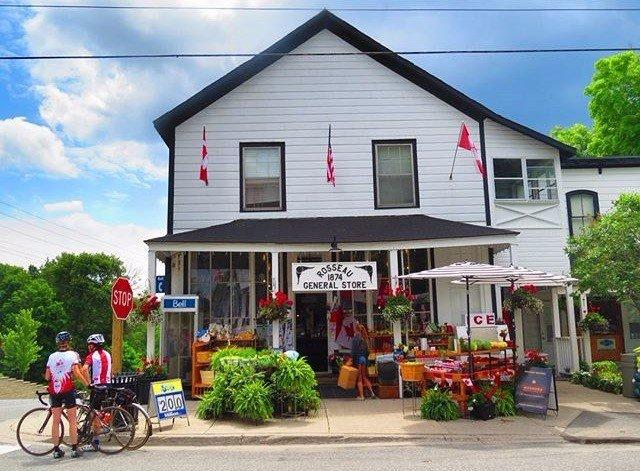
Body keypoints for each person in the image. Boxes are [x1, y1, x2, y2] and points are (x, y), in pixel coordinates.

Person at [45, 331, 88, 459]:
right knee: (72, 421)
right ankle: (74, 449)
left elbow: (47, 376)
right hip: (68, 389)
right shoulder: (72, 355)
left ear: (58, 343)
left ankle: (56, 450)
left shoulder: (51, 356)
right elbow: (76, 372)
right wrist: (86, 382)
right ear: (69, 342)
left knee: (55, 421)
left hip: (55, 391)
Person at [82, 333, 112, 451]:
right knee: (99, 410)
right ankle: (102, 421)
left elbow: (84, 369)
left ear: (93, 345)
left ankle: (95, 442)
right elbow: (111, 371)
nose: (88, 347)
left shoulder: (92, 356)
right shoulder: (108, 354)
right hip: (107, 385)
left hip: (97, 386)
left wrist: (88, 383)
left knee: (93, 413)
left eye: (89, 345)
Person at [351, 323, 376, 400]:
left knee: (359, 378)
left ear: (356, 329)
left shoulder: (356, 338)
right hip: (364, 359)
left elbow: (354, 351)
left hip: (358, 358)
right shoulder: (365, 338)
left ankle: (361, 396)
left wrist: (351, 359)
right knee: (365, 377)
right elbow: (368, 352)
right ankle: (372, 393)